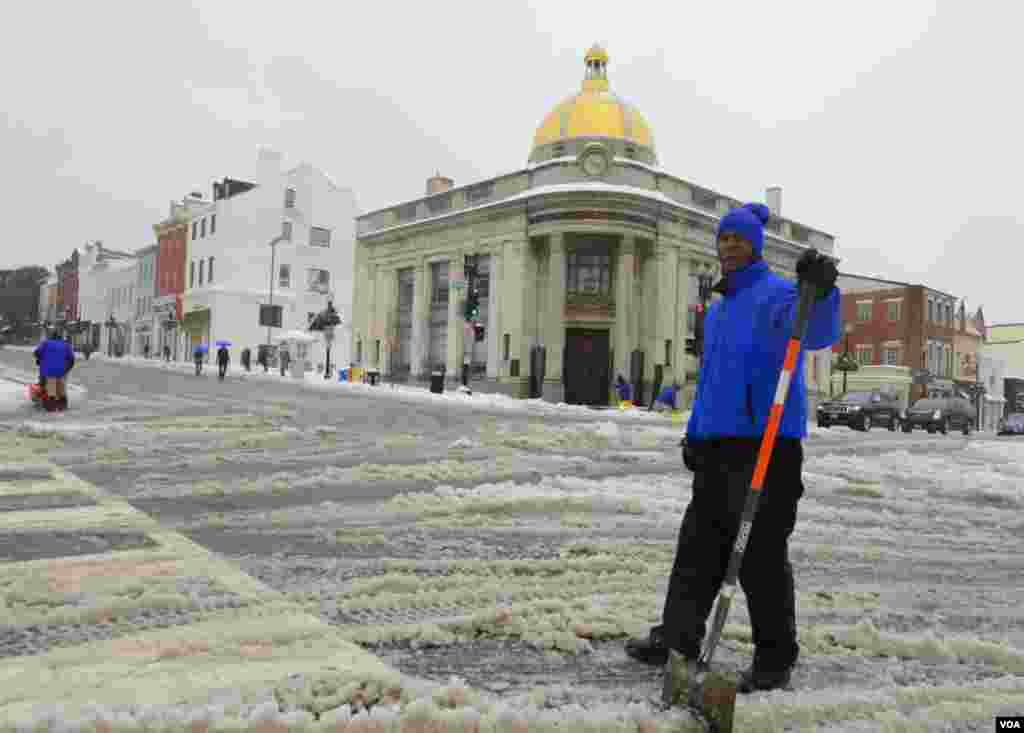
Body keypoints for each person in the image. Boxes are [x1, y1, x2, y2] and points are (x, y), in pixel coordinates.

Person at [624, 202, 840, 694]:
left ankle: (775, 658)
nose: (729, 247)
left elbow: (820, 331)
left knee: (760, 555)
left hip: (768, 445)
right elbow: (710, 383)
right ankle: (677, 639)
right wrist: (695, 434)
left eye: (738, 240)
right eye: (723, 240)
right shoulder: (718, 309)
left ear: (755, 246)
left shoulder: (781, 294)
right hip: (717, 448)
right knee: (697, 550)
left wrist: (823, 289)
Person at [33, 329, 75, 412]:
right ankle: (62, 405)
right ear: (60, 337)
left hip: (48, 370)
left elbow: (36, 353)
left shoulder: (46, 343)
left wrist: (39, 360)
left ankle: (51, 405)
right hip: (61, 371)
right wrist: (67, 369)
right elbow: (71, 358)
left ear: (51, 337)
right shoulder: (65, 344)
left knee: (50, 387)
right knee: (61, 387)